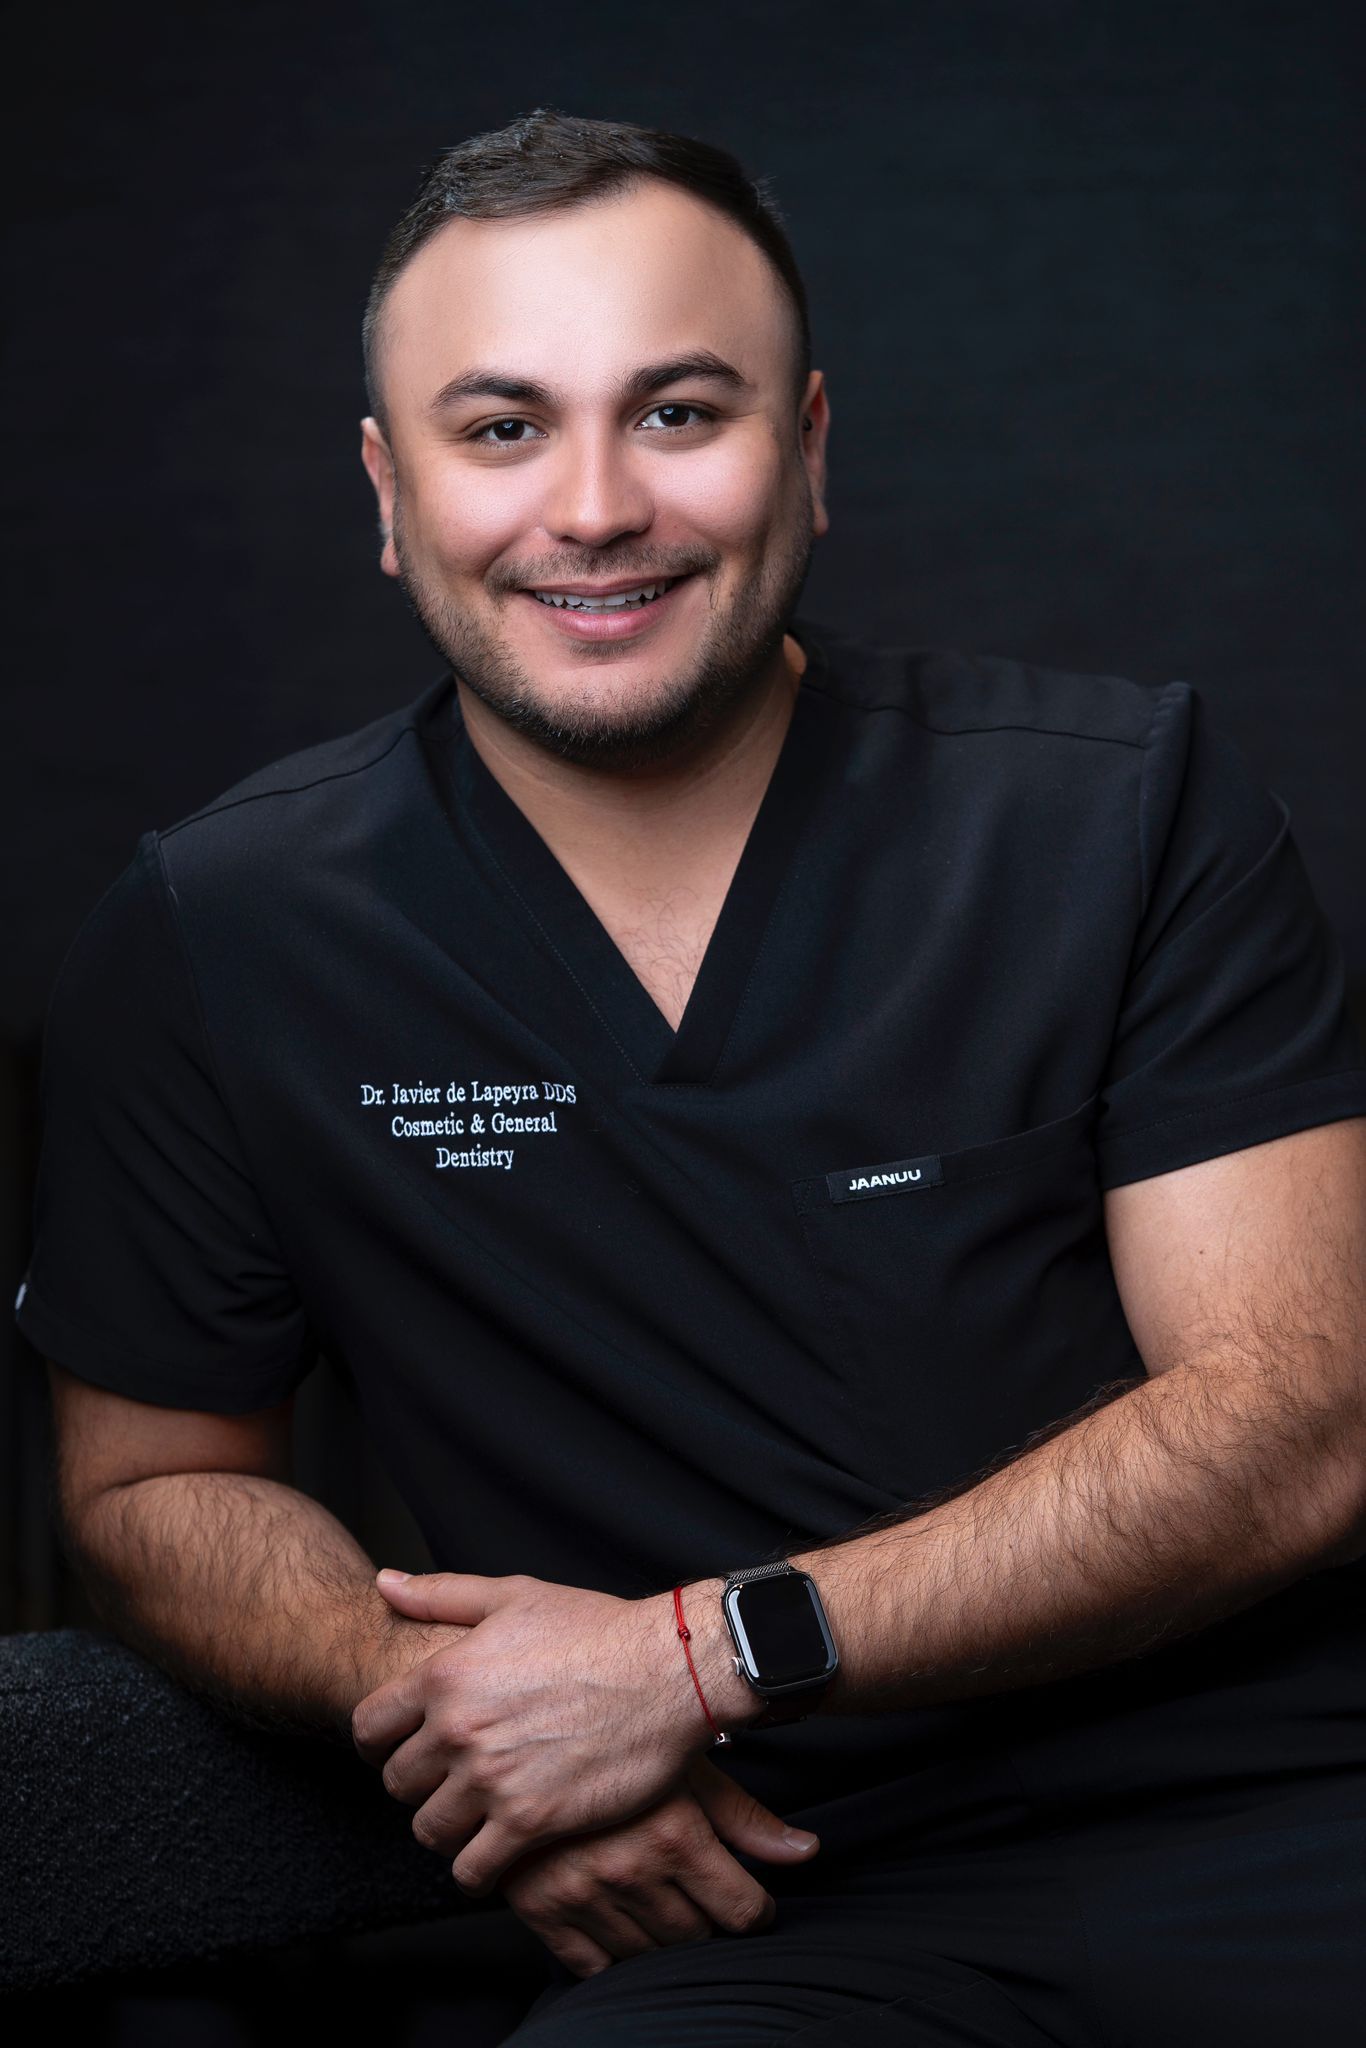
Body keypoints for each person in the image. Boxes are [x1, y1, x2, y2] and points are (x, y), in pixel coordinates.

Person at [17, 108, 1366, 2046]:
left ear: (806, 453)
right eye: (500, 429)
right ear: (388, 493)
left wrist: (695, 1653)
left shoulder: (1115, 811)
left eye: (675, 413)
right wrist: (474, 1729)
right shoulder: (216, 928)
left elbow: (1301, 1419)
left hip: (1269, 1818)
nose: (588, 507)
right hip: (727, 1913)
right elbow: (147, 1485)